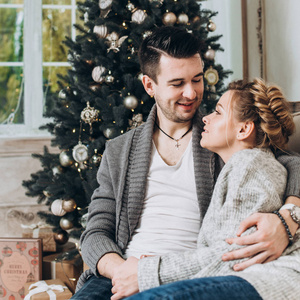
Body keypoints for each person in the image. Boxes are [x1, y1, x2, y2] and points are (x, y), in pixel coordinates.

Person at [71, 27, 300, 300]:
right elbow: (96, 231)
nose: (191, 93)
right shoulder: (119, 151)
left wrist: (288, 219)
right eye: (177, 83)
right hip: (123, 270)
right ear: (149, 85)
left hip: (191, 272)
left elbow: (286, 163)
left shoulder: (221, 137)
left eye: (197, 79)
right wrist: (125, 272)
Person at [121, 78, 300, 300]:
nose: (206, 118)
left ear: (243, 129)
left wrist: (149, 271)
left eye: (218, 112)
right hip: (243, 278)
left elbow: (234, 255)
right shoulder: (245, 165)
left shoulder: (250, 164)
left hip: (265, 281)